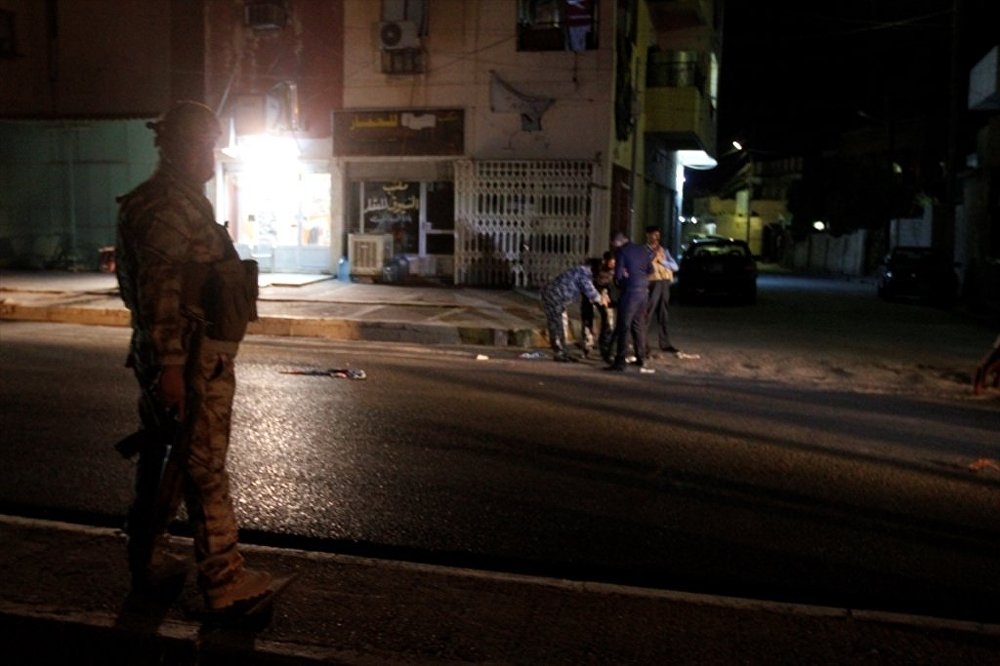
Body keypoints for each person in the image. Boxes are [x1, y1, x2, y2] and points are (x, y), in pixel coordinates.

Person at [115, 100, 271, 610]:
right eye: (202, 144)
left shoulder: (167, 200)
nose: (210, 154)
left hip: (178, 357)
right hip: (190, 359)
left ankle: (149, 561)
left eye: (213, 143)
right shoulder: (168, 207)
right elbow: (159, 290)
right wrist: (174, 369)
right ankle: (224, 581)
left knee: (166, 461)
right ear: (176, 145)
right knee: (203, 465)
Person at [541, 259, 609, 362]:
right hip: (555, 297)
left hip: (557, 297)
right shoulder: (584, 273)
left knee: (562, 324)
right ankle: (559, 352)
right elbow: (591, 292)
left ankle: (562, 351)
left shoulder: (580, 271)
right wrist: (602, 300)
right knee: (557, 324)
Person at [607, 232, 652, 371]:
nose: (613, 247)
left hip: (630, 292)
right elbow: (651, 269)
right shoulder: (643, 250)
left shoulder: (622, 251)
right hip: (644, 291)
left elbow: (618, 276)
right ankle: (641, 358)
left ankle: (620, 361)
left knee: (624, 325)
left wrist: (624, 278)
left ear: (618, 242)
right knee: (638, 325)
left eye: (613, 244)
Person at [643, 225, 680, 357]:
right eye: (654, 235)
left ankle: (665, 343)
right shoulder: (644, 251)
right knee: (648, 312)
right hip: (653, 283)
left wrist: (662, 261)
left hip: (664, 282)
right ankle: (642, 344)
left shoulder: (664, 251)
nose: (656, 238)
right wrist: (653, 256)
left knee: (663, 313)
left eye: (658, 235)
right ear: (648, 236)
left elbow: (675, 266)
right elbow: (643, 266)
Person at [580, 251, 616, 362]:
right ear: (605, 261)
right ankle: (587, 345)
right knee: (588, 320)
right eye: (611, 262)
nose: (613, 265)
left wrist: (607, 295)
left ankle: (604, 347)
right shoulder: (594, 269)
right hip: (590, 296)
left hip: (604, 297)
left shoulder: (615, 270)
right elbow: (587, 285)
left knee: (608, 321)